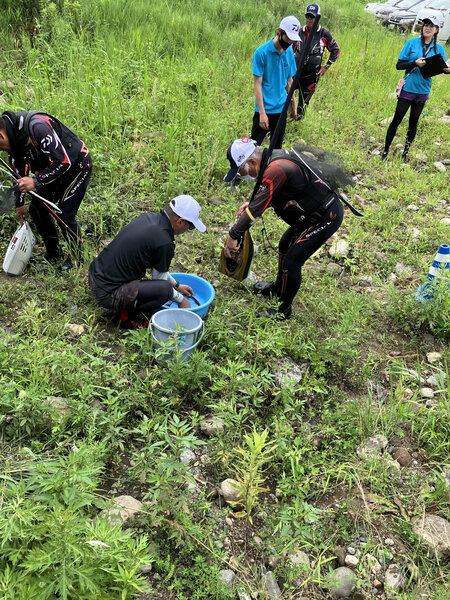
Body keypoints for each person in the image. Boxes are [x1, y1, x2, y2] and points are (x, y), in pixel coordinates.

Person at [223, 137, 343, 320]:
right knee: (284, 246)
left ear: (252, 161)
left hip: (325, 217)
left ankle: (283, 310)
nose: (241, 176)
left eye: (240, 172)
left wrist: (233, 235)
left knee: (292, 261)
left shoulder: (276, 169)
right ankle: (279, 288)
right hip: (308, 214)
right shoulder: (270, 158)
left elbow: (255, 210)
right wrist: (254, 203)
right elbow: (276, 193)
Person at [88, 195, 206, 329]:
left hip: (95, 275)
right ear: (180, 221)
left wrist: (177, 285)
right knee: (164, 290)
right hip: (106, 293)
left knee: (166, 288)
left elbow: (159, 271)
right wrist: (181, 300)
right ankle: (124, 318)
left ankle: (125, 307)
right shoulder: (164, 242)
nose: (188, 230)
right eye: (190, 227)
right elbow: (161, 283)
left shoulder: (149, 218)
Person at [0, 110, 92, 270]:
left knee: (65, 214)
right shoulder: (14, 137)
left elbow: (64, 162)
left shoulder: (37, 126)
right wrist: (19, 203)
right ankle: (54, 253)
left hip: (77, 166)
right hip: (51, 170)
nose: (3, 151)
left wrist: (36, 181)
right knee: (36, 209)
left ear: (1, 136)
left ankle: (77, 260)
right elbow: (18, 173)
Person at [381, 15, 449, 162]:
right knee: (396, 120)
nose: (428, 27)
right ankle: (385, 151)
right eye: (426, 24)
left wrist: (447, 70)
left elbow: (442, 67)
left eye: (432, 25)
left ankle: (405, 154)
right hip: (408, 89)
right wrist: (414, 63)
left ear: (436, 30)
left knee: (413, 123)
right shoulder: (411, 43)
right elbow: (399, 65)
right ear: (422, 27)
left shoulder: (440, 48)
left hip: (423, 91)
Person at [250, 16, 300, 149]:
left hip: (281, 109)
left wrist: (292, 106)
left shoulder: (289, 51)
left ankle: (271, 169)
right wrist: (262, 113)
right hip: (265, 109)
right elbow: (257, 85)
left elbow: (290, 80)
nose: (290, 42)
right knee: (253, 148)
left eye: (292, 39)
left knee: (276, 149)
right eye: (288, 37)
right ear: (279, 31)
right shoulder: (261, 53)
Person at [293, 4, 340, 119]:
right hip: (294, 72)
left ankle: (296, 126)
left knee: (303, 105)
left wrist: (326, 66)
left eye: (312, 17)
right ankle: (284, 120)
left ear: (317, 18)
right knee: (285, 97)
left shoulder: (324, 34)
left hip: (311, 76)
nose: (309, 20)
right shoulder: (299, 32)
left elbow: (336, 50)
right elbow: (290, 50)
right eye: (307, 16)